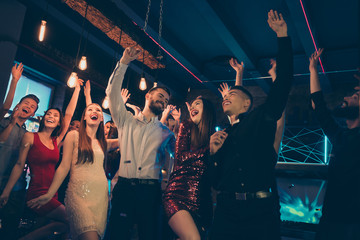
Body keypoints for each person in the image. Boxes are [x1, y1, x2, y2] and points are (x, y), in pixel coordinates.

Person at [208, 10, 293, 239]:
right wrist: (213, 154)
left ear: (247, 103)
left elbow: (283, 83)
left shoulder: (260, 119)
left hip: (260, 213)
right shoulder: (223, 135)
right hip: (225, 213)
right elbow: (214, 182)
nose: (226, 96)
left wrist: (282, 35)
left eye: (233, 94)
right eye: (226, 96)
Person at [106, 47, 175, 240]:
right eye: (160, 96)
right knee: (116, 234)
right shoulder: (125, 120)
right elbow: (112, 93)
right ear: (148, 96)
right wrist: (123, 63)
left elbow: (178, 159)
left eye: (166, 100)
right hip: (125, 188)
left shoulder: (166, 133)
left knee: (149, 235)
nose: (163, 100)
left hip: (150, 190)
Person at [0, 79, 83, 239]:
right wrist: (7, 192)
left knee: (48, 228)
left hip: (53, 191)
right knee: (72, 221)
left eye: (55, 116)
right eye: (49, 114)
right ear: (43, 118)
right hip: (37, 191)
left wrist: (77, 90)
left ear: (59, 122)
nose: (51, 116)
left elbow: (69, 115)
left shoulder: (56, 141)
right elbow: (19, 165)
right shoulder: (30, 137)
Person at [28, 103, 119, 240]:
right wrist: (49, 194)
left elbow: (129, 137)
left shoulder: (104, 143)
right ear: (84, 117)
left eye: (98, 110)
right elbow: (64, 167)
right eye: (90, 109)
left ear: (101, 118)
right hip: (78, 195)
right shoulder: (74, 136)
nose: (94, 111)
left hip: (100, 198)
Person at [308, 49, 360, 240]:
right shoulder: (340, 135)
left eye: (354, 97)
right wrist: (313, 69)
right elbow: (319, 107)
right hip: (330, 221)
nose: (345, 98)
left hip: (354, 225)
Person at [163, 96, 216, 239]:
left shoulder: (212, 138)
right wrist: (208, 150)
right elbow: (181, 157)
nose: (193, 107)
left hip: (202, 201)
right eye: (191, 105)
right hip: (178, 195)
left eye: (197, 104)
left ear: (207, 111)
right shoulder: (186, 126)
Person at [0, 89, 39, 240]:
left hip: (10, 185)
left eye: (32, 107)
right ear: (18, 105)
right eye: (26, 103)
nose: (28, 107)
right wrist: (11, 123)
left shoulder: (26, 134)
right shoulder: (3, 121)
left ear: (33, 114)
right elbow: (1, 141)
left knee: (8, 228)